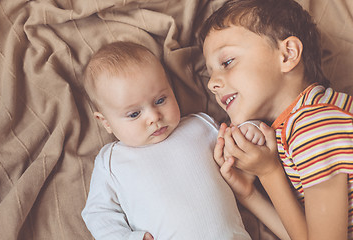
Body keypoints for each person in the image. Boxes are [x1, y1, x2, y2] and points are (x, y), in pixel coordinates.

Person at [80, 41, 288, 240]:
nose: (154, 117)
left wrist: (248, 129)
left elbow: (233, 142)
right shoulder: (111, 161)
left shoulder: (199, 126)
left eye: (160, 100)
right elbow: (98, 213)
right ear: (105, 122)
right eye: (134, 114)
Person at [200, 0, 353, 239]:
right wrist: (249, 193)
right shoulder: (302, 122)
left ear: (287, 54)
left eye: (227, 62)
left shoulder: (313, 125)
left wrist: (270, 173)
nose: (212, 84)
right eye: (210, 73)